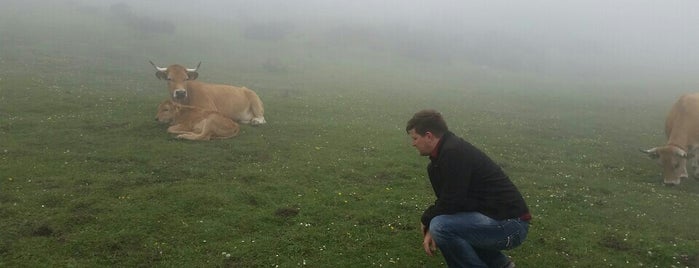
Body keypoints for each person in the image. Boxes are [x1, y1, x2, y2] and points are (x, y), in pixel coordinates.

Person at [405, 109, 531, 268]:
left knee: (442, 227)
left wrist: (427, 220)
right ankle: (500, 265)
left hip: (511, 225)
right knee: (445, 225)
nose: (413, 143)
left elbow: (452, 202)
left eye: (415, 138)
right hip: (498, 219)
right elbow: (449, 205)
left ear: (429, 136)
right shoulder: (439, 161)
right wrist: (431, 221)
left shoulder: (454, 153)